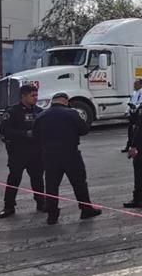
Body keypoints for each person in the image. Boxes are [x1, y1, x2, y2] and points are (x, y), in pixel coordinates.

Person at [33, 92, 101, 225]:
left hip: (50, 156)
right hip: (70, 154)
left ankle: (52, 215)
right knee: (79, 183)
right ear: (65, 101)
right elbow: (84, 130)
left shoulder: (41, 116)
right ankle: (85, 209)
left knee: (52, 186)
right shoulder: (72, 113)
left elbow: (35, 135)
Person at [0, 84, 45, 218]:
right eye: (32, 95)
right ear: (23, 96)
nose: (35, 98)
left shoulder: (39, 111)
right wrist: (25, 134)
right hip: (18, 152)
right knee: (14, 179)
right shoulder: (12, 112)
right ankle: (9, 206)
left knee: (38, 179)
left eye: (36, 95)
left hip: (36, 152)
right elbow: (4, 131)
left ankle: (41, 202)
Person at [121, 78, 142, 153]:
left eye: (136, 84)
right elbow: (131, 101)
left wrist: (135, 107)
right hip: (133, 113)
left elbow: (141, 102)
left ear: (141, 84)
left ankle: (136, 146)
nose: (134, 86)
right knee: (130, 131)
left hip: (139, 113)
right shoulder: (135, 92)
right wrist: (127, 111)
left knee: (137, 131)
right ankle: (129, 146)